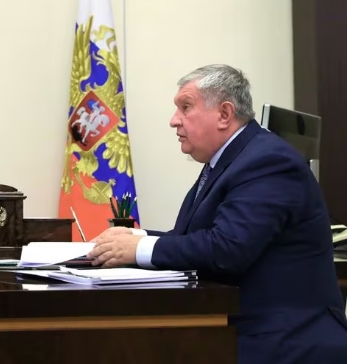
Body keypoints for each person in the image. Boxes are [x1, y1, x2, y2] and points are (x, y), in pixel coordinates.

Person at [87, 64, 347, 364]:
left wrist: (140, 248)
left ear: (224, 114)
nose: (174, 120)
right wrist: (137, 236)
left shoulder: (267, 160)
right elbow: (196, 238)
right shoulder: (227, 161)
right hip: (244, 329)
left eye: (186, 107)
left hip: (283, 340)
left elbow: (227, 249)